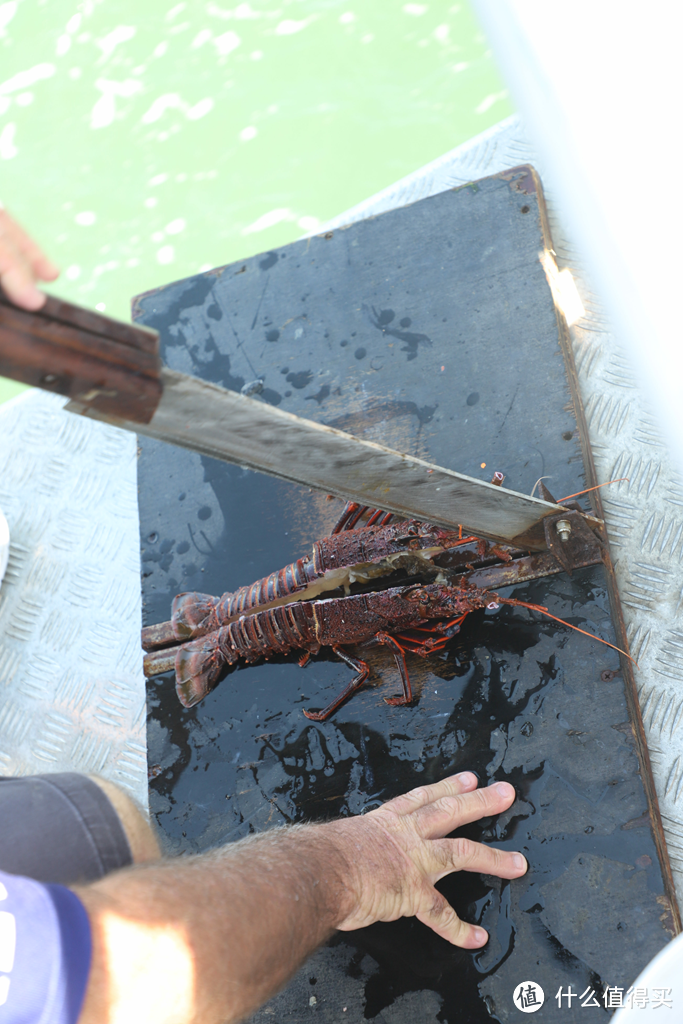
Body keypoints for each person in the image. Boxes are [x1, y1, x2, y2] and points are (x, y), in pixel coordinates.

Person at [0, 214, 527, 1021]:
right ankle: (212, 636)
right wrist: (350, 863)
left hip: (263, 605)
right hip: (77, 971)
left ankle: (204, 631)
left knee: (96, 811)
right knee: (105, 835)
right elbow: (133, 975)